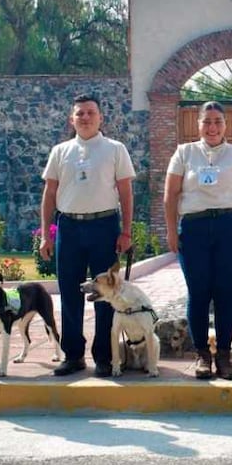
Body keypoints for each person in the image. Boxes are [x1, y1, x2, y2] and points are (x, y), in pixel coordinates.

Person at [39, 94, 135, 377]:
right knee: (70, 292)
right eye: (79, 113)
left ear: (100, 117)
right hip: (69, 227)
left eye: (91, 112)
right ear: (72, 119)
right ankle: (73, 355)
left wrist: (126, 231)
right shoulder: (60, 151)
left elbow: (126, 192)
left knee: (105, 294)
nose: (85, 118)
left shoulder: (115, 149)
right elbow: (50, 193)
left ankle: (104, 356)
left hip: (104, 226)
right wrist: (46, 233)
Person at [164, 101, 232, 380]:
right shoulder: (184, 153)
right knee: (198, 293)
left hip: (229, 226)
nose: (212, 127)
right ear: (198, 124)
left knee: (224, 294)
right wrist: (171, 231)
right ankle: (202, 355)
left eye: (218, 121)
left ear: (225, 125)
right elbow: (170, 196)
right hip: (193, 228)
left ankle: (224, 356)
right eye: (207, 121)